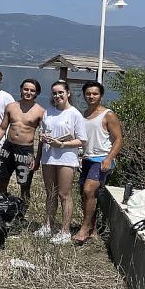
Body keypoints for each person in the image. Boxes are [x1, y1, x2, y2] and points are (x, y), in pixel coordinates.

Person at [35, 81, 88, 244]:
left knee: (64, 194)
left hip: (66, 158)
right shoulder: (48, 112)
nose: (57, 96)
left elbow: (82, 140)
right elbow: (44, 133)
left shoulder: (74, 114)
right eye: (54, 93)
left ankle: (65, 231)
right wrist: (43, 137)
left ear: (68, 93)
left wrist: (62, 144)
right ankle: (48, 225)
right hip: (48, 157)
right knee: (50, 193)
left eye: (60, 93)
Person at [75, 81, 123, 243]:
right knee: (85, 195)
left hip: (102, 159)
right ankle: (93, 229)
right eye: (88, 93)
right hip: (87, 159)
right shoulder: (84, 114)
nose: (91, 96)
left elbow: (118, 139)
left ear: (100, 95)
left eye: (95, 93)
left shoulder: (108, 114)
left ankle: (84, 228)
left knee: (89, 190)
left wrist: (109, 158)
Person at [0, 79, 45, 203]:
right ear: (21, 89)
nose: (28, 92)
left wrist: (37, 158)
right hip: (8, 147)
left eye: (32, 90)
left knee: (24, 184)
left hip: (25, 150)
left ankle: (22, 213)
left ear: (36, 93)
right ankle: (1, 207)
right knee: (1, 179)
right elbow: (3, 128)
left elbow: (42, 138)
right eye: (26, 89)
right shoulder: (11, 107)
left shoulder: (40, 111)